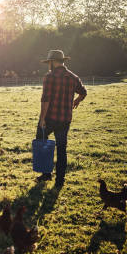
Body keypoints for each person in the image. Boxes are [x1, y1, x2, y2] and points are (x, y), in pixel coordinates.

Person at [37, 50, 87, 188]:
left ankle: (46, 174)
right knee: (61, 149)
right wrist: (76, 101)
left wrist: (42, 118)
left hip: (50, 117)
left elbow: (45, 99)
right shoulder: (73, 77)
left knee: (42, 141)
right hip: (65, 119)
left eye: (49, 63)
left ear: (52, 62)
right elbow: (83, 92)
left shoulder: (50, 76)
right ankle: (60, 181)